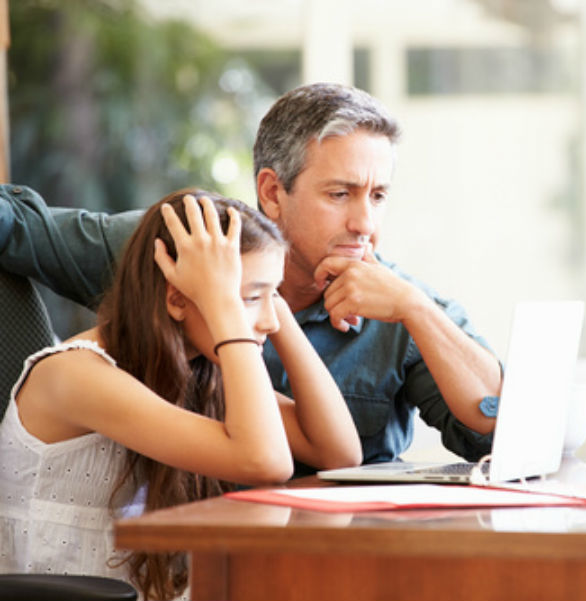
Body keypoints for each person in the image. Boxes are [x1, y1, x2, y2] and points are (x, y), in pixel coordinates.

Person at [0, 82, 502, 471]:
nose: (364, 224)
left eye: (378, 196)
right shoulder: (179, 247)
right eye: (340, 194)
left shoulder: (400, 303)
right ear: (271, 191)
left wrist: (415, 310)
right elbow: (16, 224)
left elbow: (496, 431)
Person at [0, 190, 361, 600]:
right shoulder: (76, 375)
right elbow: (265, 462)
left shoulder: (193, 372)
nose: (267, 321)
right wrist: (227, 309)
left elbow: (338, 453)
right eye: (251, 298)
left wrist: (263, 296)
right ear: (176, 298)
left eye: (272, 296)